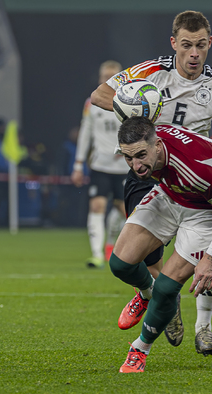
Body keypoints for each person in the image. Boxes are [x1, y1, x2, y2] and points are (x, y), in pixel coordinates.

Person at [90, 11, 212, 355]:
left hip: (196, 176)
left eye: (200, 45)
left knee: (209, 252)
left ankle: (204, 328)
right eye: (186, 45)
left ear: (209, 44)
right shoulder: (151, 72)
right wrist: (139, 109)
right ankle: (158, 298)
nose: (194, 53)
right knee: (146, 254)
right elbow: (100, 95)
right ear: (174, 44)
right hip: (150, 172)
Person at [110, 117, 212, 373]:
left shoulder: (195, 169)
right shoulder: (148, 144)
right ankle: (147, 294)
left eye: (140, 155)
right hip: (170, 193)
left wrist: (211, 257)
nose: (136, 166)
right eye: (128, 158)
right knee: (120, 264)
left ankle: (139, 349)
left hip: (206, 209)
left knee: (167, 288)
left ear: (157, 145)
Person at [71, 61, 129, 268]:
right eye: (105, 76)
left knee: (124, 212)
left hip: (124, 167)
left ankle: (111, 245)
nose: (108, 80)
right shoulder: (91, 103)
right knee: (97, 205)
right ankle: (96, 255)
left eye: (112, 76)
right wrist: (78, 164)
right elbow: (85, 133)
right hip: (99, 165)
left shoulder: (131, 101)